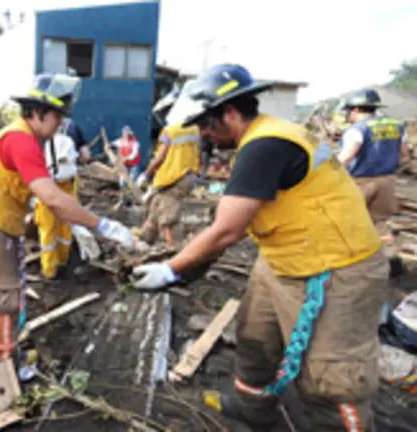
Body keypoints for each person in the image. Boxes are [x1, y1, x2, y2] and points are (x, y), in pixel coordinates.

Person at [132, 64, 387, 431]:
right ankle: (253, 411)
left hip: (336, 268)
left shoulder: (266, 144)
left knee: (332, 378)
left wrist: (170, 270)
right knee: (255, 341)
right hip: (284, 258)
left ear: (230, 113)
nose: (204, 134)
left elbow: (226, 230)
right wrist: (185, 270)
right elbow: (233, 221)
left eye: (206, 124)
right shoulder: (261, 140)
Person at [0, 73, 138, 362]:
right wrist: (104, 225)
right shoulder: (23, 142)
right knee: (4, 300)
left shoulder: (20, 135)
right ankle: (4, 365)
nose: (61, 123)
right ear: (38, 113)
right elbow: (52, 199)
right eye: (57, 116)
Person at [336, 88, 409, 241]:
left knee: (350, 218)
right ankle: (388, 257)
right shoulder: (397, 125)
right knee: (380, 222)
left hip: (362, 182)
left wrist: (329, 173)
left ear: (355, 109)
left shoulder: (358, 129)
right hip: (388, 181)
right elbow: (404, 154)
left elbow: (347, 155)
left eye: (348, 110)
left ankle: (356, 255)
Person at [136, 87, 202, 247]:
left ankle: (173, 249)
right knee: (155, 207)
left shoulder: (170, 131)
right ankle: (145, 239)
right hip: (189, 175)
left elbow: (160, 158)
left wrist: (146, 174)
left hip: (174, 177)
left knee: (168, 215)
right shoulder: (193, 128)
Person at [34, 118, 80, 279]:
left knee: (47, 231)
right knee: (65, 228)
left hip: (48, 187)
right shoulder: (68, 142)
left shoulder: (43, 144)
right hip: (65, 189)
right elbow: (74, 164)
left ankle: (49, 270)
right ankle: (62, 261)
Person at [113, 126, 141, 206]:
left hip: (134, 165)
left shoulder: (135, 143)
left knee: (132, 182)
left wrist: (126, 158)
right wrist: (109, 145)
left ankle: (133, 201)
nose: (125, 135)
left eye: (126, 133)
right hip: (125, 166)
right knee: (122, 183)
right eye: (124, 133)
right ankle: (122, 199)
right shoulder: (120, 141)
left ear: (129, 134)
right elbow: (113, 143)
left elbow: (134, 155)